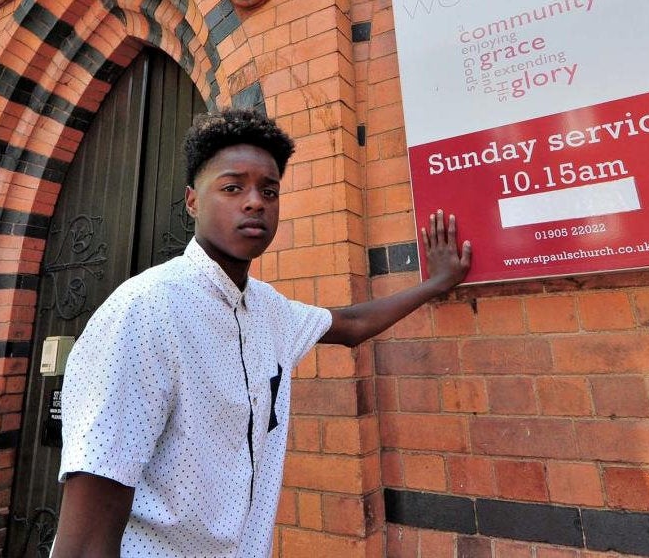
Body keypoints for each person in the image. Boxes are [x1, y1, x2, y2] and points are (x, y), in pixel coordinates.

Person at [52, 108, 471, 558]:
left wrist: (435, 283)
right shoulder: (148, 309)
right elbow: (88, 521)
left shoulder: (267, 309)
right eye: (233, 187)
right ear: (192, 201)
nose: (255, 202)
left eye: (268, 191)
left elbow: (351, 325)